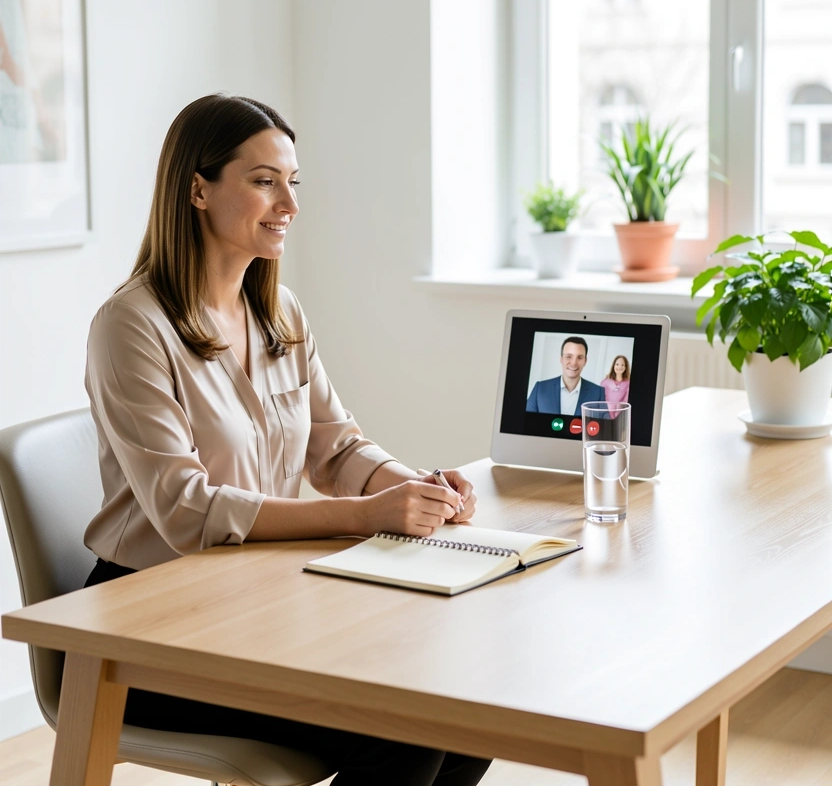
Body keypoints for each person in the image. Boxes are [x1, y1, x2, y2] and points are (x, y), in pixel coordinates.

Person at [83, 93, 492, 786]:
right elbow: (185, 512)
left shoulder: (279, 311)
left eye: (292, 182)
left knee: (467, 711)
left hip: (257, 605)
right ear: (197, 189)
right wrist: (364, 517)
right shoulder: (131, 327)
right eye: (265, 181)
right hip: (143, 629)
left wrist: (411, 485)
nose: (289, 205)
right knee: (405, 740)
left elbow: (333, 450)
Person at [526, 336, 605, 414]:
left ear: (585, 361)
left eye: (579, 357)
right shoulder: (540, 388)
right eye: (569, 357)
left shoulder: (598, 393)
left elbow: (604, 425)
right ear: (561, 359)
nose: (574, 363)